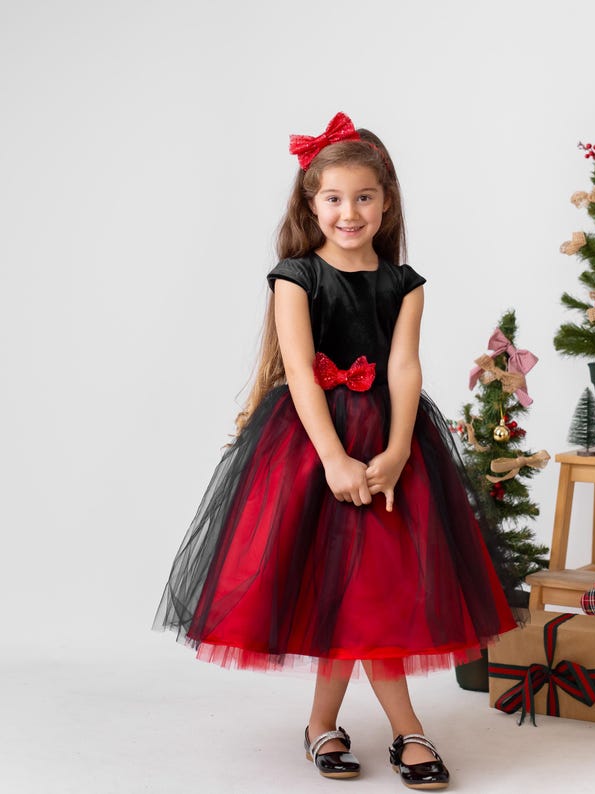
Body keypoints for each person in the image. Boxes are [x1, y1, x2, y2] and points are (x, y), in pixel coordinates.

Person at [154, 112, 516, 790]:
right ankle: (401, 729)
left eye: (364, 197)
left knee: (369, 591)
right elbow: (298, 371)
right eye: (334, 198)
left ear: (386, 203)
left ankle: (326, 724)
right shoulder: (296, 277)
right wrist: (332, 459)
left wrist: (399, 449)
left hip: (388, 445)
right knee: (346, 592)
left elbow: (404, 368)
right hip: (313, 444)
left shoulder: (405, 283)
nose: (350, 213)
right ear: (311, 203)